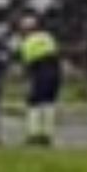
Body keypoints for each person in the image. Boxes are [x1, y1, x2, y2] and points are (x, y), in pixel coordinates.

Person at [17, 14, 62, 147]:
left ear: (27, 29)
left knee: (33, 104)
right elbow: (55, 53)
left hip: (39, 73)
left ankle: (33, 134)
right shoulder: (48, 37)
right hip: (55, 74)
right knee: (49, 103)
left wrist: (25, 80)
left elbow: (27, 64)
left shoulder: (27, 42)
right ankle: (47, 135)